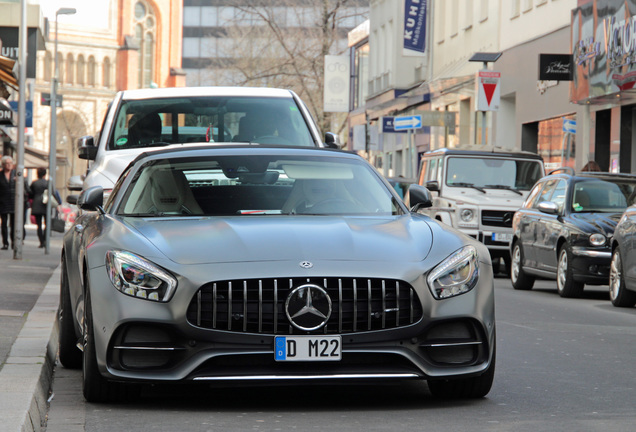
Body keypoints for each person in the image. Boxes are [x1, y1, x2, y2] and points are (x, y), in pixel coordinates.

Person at [0, 155, 30, 250]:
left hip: (14, 202)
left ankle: (14, 242)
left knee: (14, 224)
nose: (8, 165)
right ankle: (5, 243)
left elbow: (26, 188)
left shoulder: (17, 174)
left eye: (10, 163)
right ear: (3, 165)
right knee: (4, 224)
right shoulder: (0, 175)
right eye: (6, 164)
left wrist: (19, 182)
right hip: (3, 202)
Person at [29, 167, 61, 248]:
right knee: (47, 224)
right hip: (46, 204)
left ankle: (41, 242)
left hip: (36, 204)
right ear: (45, 174)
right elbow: (53, 193)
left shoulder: (34, 183)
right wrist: (58, 204)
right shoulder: (48, 183)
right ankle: (45, 240)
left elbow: (30, 194)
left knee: (38, 225)